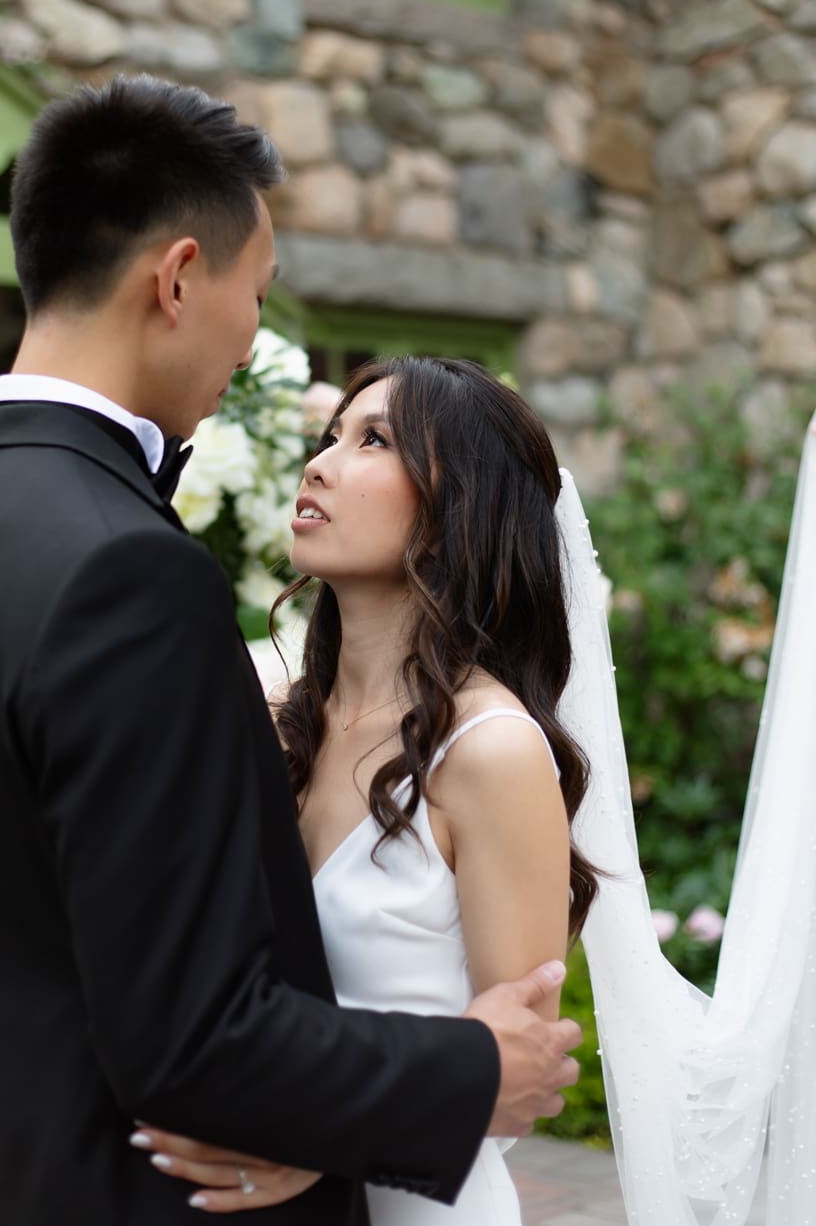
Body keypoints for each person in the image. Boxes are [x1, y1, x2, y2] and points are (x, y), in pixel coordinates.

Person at [0, 78, 581, 1226]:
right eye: (255, 294)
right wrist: (448, 1081)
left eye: (371, 439)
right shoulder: (129, 571)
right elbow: (190, 1029)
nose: (254, 335)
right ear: (178, 278)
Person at [136, 356, 601, 1223]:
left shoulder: (491, 752)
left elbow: (521, 1070)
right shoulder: (268, 712)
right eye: (330, 435)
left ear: (457, 507)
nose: (320, 463)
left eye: (374, 440)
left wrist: (315, 1146)